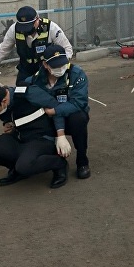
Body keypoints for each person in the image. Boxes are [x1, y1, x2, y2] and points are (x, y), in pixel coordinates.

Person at [0, 80, 71, 189]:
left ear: (4, 101)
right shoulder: (1, 102)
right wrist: (8, 124)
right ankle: (17, 170)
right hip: (19, 138)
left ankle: (59, 164)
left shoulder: (29, 93)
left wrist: (61, 136)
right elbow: (12, 116)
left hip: (41, 139)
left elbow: (57, 109)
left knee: (24, 166)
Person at [25, 43, 91, 180]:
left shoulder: (77, 74)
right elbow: (27, 88)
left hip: (70, 117)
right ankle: (56, 162)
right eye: (55, 66)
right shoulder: (37, 79)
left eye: (63, 64)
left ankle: (82, 160)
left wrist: (55, 110)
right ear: (45, 65)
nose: (60, 69)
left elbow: (79, 103)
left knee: (79, 118)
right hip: (49, 119)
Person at [0, 6, 73, 86]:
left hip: (46, 70)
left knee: (46, 99)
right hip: (25, 69)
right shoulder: (14, 29)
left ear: (37, 19)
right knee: (21, 96)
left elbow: (67, 49)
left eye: (29, 26)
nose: (26, 30)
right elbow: (3, 50)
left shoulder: (51, 28)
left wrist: (58, 68)